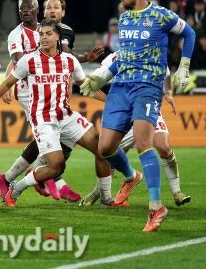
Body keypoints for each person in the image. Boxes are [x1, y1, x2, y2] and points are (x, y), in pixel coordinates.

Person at [80, 0, 195, 232]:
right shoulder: (124, 18)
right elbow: (125, 56)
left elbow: (190, 33)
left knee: (145, 143)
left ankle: (156, 206)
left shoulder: (161, 15)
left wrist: (184, 66)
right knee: (105, 148)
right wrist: (102, 78)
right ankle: (132, 176)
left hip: (147, 86)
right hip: (121, 87)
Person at [0, 20, 112, 207]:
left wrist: (110, 101)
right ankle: (17, 187)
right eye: (41, 34)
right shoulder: (29, 60)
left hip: (66, 116)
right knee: (56, 166)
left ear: (58, 36)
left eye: (48, 34)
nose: (43, 37)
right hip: (43, 120)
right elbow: (7, 84)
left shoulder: (69, 60)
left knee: (102, 150)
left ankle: (106, 199)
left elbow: (86, 87)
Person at [80, 52, 191, 207]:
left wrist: (168, 93)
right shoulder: (114, 58)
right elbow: (92, 82)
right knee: (108, 152)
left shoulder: (150, 51)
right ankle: (101, 192)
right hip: (123, 111)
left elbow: (164, 71)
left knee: (163, 146)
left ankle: (177, 192)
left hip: (147, 107)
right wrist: (110, 100)